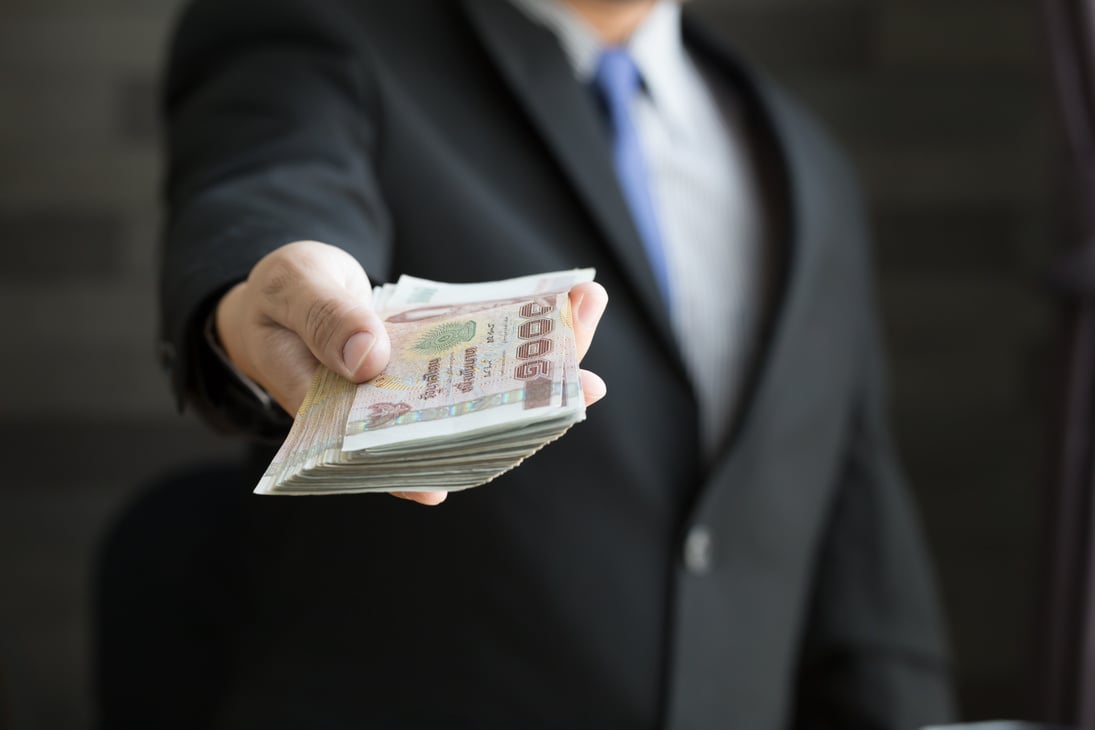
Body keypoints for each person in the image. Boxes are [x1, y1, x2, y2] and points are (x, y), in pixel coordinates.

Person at [114, 0, 956, 726]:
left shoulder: (807, 167)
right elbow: (271, 185)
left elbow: (861, 563)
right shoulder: (325, 30)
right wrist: (254, 300)